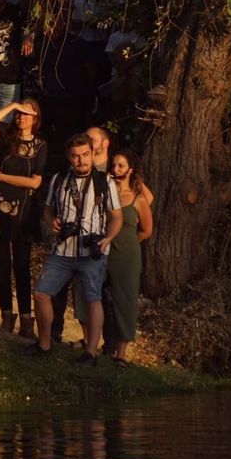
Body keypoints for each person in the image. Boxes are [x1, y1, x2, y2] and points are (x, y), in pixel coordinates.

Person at [31, 134, 124, 362]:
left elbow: (117, 216)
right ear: (68, 157)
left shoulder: (105, 182)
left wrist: (108, 238)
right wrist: (51, 221)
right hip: (62, 249)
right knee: (41, 293)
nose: (81, 160)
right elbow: (47, 209)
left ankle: (90, 352)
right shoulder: (59, 179)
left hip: (92, 250)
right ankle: (44, 344)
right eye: (75, 156)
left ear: (93, 154)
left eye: (85, 155)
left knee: (93, 298)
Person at [0, 99, 48, 336]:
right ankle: (6, 314)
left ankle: (27, 318)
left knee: (21, 265)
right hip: (0, 207)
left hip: (25, 210)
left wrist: (2, 177)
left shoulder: (40, 145)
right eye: (19, 114)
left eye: (26, 114)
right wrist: (12, 107)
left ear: (35, 118)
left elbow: (35, 181)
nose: (22, 118)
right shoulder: (6, 140)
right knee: (1, 264)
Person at [96, 149, 153, 364]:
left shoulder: (138, 199)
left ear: (130, 169)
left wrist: (128, 243)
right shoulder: (106, 193)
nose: (116, 169)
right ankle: (103, 344)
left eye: (121, 165)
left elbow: (146, 230)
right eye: (114, 165)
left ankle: (121, 353)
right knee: (101, 298)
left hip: (127, 255)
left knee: (125, 301)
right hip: (104, 251)